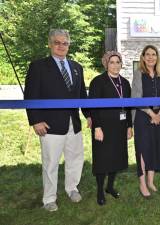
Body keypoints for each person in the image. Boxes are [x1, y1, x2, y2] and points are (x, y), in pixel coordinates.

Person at [24, 29, 91, 212]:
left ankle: (72, 188)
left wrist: (89, 115)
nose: (61, 46)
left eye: (65, 43)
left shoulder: (77, 67)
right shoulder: (38, 67)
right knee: (51, 163)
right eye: (57, 42)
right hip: (49, 125)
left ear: (69, 45)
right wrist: (35, 120)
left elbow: (82, 97)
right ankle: (49, 199)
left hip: (73, 124)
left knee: (76, 159)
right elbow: (30, 95)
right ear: (50, 44)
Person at [89, 51, 133, 205]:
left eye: (118, 62)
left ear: (121, 64)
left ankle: (110, 187)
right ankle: (100, 190)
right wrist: (97, 127)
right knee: (102, 160)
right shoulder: (98, 82)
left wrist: (129, 126)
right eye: (112, 62)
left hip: (120, 127)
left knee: (116, 158)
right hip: (103, 127)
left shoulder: (126, 83)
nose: (115, 65)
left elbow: (128, 108)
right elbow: (92, 107)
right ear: (106, 64)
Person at [131, 45, 160, 198]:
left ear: (157, 57)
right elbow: (136, 97)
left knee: (154, 147)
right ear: (143, 57)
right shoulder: (138, 73)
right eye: (147, 54)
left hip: (158, 117)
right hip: (142, 116)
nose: (150, 57)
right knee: (142, 149)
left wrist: (159, 113)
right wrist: (151, 113)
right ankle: (142, 183)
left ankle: (150, 181)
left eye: (153, 54)